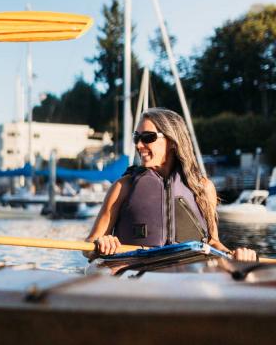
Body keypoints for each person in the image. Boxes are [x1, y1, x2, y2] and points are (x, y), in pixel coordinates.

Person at [85, 107, 257, 261]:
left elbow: (213, 241)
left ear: (173, 142)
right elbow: (89, 248)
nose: (138, 144)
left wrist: (235, 255)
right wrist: (102, 243)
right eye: (136, 137)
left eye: (147, 137)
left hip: (189, 274)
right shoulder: (123, 187)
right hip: (135, 271)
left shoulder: (203, 187)